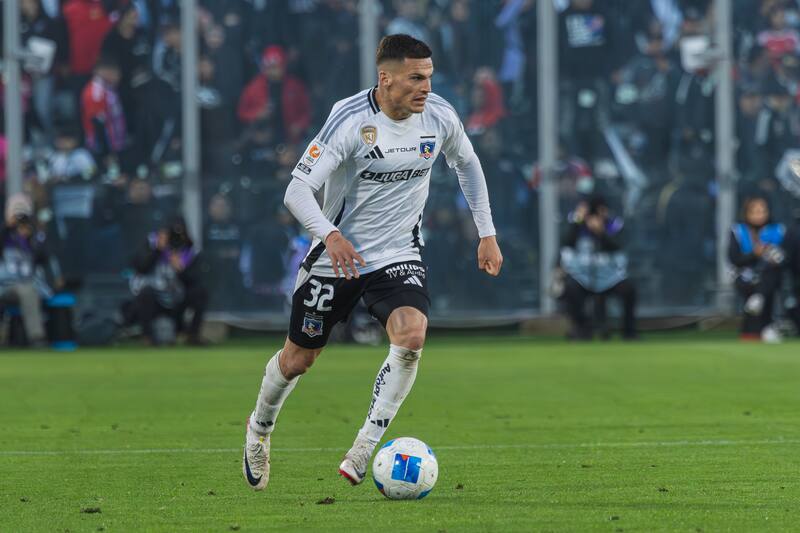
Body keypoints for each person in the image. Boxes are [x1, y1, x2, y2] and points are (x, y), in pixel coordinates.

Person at [242, 34, 503, 491]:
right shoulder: (349, 120)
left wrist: (487, 232)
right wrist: (331, 234)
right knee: (298, 359)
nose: (426, 87)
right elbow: (296, 191)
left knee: (412, 334)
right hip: (336, 259)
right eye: (416, 78)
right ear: (385, 79)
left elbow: (468, 164)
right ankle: (260, 430)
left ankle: (364, 446)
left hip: (399, 252)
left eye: (429, 77)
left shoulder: (439, 115)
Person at [558, 195, 637, 340]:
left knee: (629, 290)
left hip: (610, 277)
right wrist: (578, 221)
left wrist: (600, 232)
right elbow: (567, 243)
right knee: (570, 290)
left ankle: (629, 331)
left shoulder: (613, 225)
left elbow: (617, 246)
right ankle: (582, 328)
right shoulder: (578, 226)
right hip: (583, 276)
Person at [126, 217, 209, 346]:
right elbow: (140, 267)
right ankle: (147, 336)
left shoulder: (189, 250)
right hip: (154, 297)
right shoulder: (150, 243)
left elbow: (195, 280)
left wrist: (180, 269)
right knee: (145, 294)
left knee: (200, 292)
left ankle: (193, 335)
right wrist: (158, 250)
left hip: (177, 297)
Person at [728, 196, 789, 341]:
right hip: (744, 276)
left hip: (769, 276)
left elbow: (786, 257)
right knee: (755, 295)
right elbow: (734, 259)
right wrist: (754, 254)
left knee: (770, 275)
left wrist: (775, 256)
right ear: (746, 213)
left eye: (762, 211)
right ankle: (760, 326)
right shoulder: (738, 230)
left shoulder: (778, 230)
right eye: (754, 212)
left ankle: (759, 301)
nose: (759, 215)